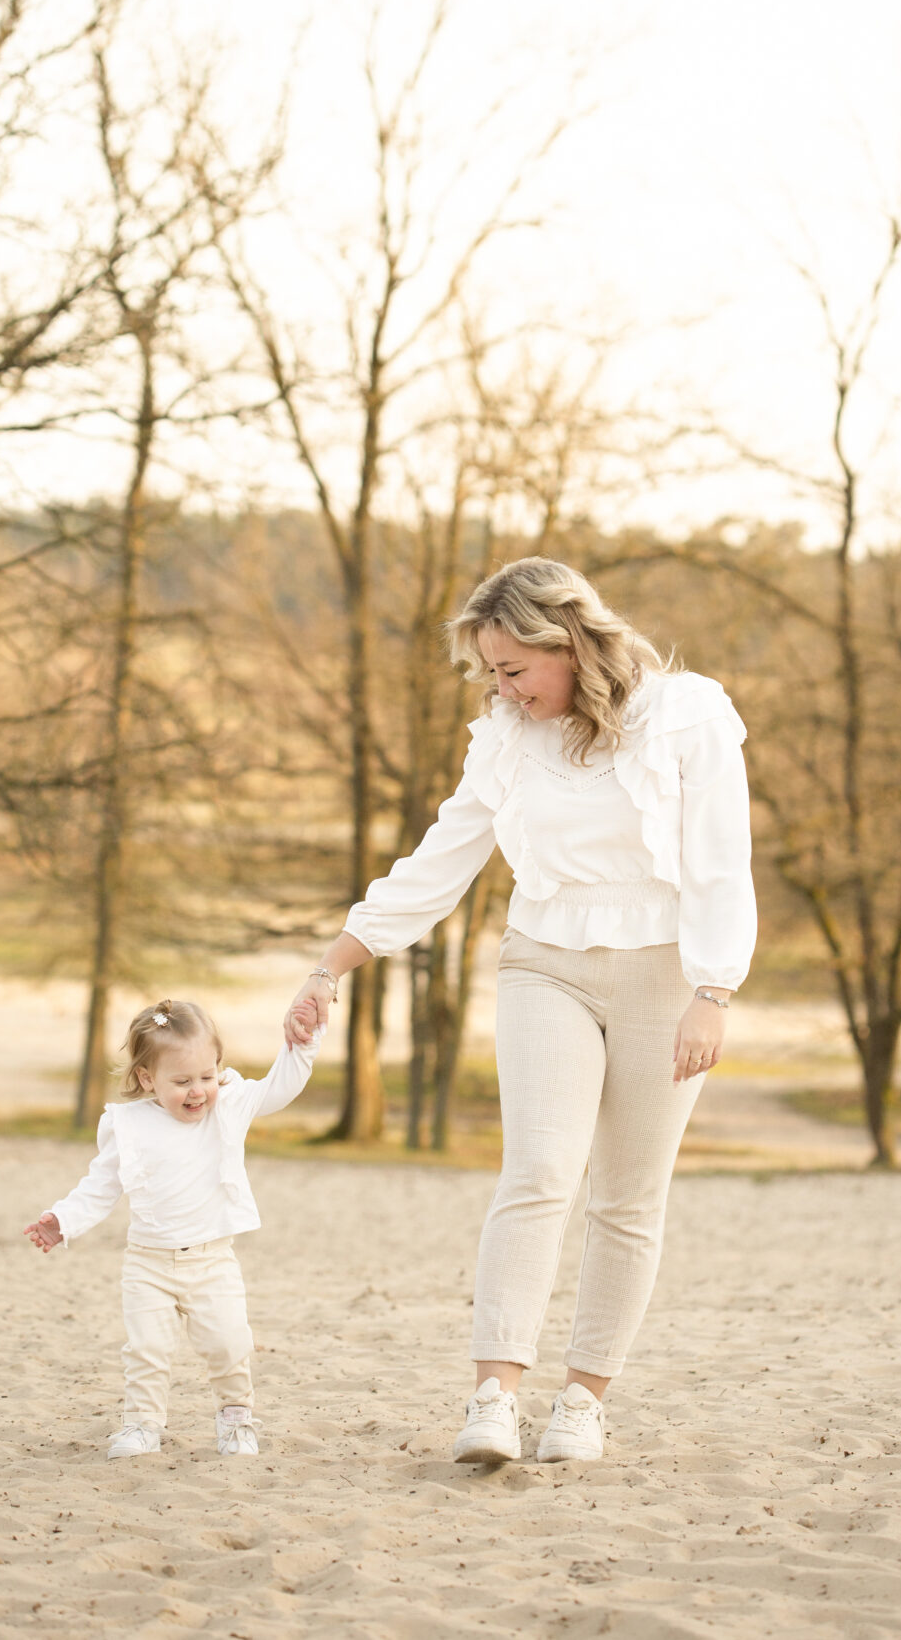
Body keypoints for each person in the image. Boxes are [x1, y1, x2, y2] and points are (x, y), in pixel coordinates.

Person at [283, 556, 755, 1465]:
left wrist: (713, 989)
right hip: (545, 962)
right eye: (488, 672)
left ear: (569, 643)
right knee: (538, 1170)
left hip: (667, 975)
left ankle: (582, 1401)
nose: (500, 688)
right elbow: (442, 856)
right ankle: (492, 1399)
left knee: (626, 1198)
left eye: (513, 669)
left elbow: (720, 863)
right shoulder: (505, 736)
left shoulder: (686, 713)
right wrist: (332, 964)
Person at [25, 997, 322, 1460]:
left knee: (229, 1344)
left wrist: (301, 1044)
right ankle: (142, 1424)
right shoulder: (130, 1125)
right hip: (148, 1262)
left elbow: (281, 1086)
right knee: (147, 1349)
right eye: (181, 1081)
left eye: (207, 1076)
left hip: (213, 1260)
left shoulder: (230, 1105)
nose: (197, 1091)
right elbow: (101, 1186)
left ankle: (236, 1418)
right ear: (148, 1078)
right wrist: (63, 1220)